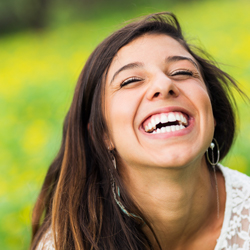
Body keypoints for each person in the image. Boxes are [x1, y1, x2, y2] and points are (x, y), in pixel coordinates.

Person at [30, 12, 250, 250]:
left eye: (182, 72)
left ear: (213, 114)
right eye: (131, 80)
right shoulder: (66, 244)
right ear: (102, 134)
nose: (164, 85)